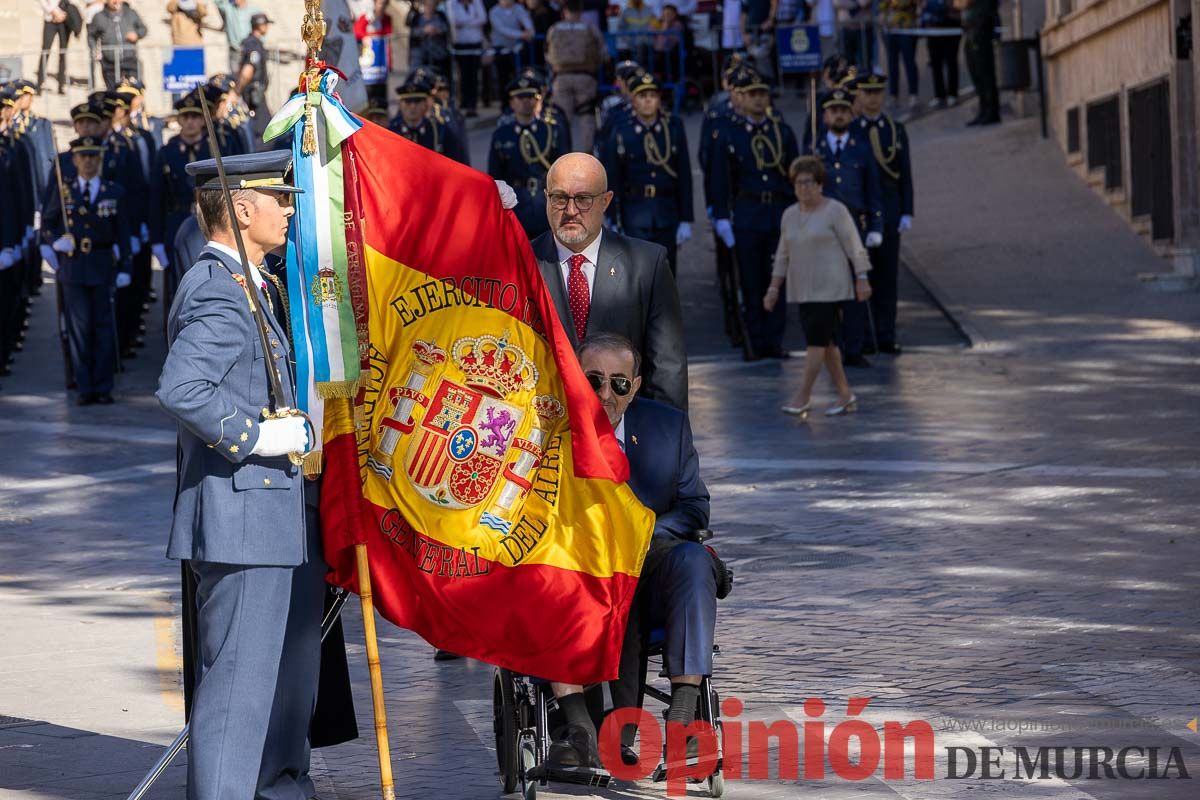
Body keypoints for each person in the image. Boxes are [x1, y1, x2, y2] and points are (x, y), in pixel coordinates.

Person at [158, 150, 326, 800]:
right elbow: (182, 387)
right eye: (278, 199)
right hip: (244, 520)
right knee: (235, 698)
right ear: (243, 209)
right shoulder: (218, 287)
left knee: (245, 696)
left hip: (253, 519)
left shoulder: (247, 282)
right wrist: (257, 435)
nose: (287, 210)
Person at [546, 332, 714, 771]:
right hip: (579, 570)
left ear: (635, 386)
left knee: (695, 561)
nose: (606, 393)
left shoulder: (666, 427)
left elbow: (695, 507)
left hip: (652, 561)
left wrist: (640, 533)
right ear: (575, 380)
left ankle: (682, 722)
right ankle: (579, 728)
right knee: (547, 578)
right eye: (594, 380)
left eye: (619, 383)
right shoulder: (548, 429)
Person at [530, 152, 687, 410]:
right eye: (559, 198)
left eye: (583, 199)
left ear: (606, 201)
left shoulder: (647, 265)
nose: (571, 210)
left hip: (620, 432)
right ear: (546, 198)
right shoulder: (522, 264)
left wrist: (666, 441)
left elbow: (668, 367)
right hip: (546, 432)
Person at [764, 156, 870, 418]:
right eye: (799, 183)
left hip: (831, 288)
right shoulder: (789, 215)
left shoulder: (835, 210)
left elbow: (854, 246)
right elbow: (783, 255)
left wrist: (862, 277)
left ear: (820, 184)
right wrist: (773, 288)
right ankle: (846, 395)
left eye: (809, 182)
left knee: (815, 342)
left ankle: (803, 395)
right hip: (803, 289)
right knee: (828, 344)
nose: (804, 188)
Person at [708, 68, 800, 360]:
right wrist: (722, 216)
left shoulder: (781, 131)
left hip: (776, 211)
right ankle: (755, 338)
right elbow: (721, 179)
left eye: (763, 94)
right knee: (750, 279)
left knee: (777, 276)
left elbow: (792, 173)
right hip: (747, 213)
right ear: (742, 98)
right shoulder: (729, 133)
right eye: (753, 95)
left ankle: (775, 339)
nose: (759, 100)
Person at [40, 136, 131, 405]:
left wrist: (125, 264)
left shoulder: (113, 191)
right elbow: (47, 222)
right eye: (83, 156)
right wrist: (55, 240)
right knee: (79, 329)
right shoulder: (64, 189)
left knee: (104, 328)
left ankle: (103, 386)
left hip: (102, 264)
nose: (89, 161)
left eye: (93, 156)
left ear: (99, 159)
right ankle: (84, 386)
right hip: (74, 265)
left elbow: (122, 233)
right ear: (75, 160)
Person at [810, 87, 882, 368]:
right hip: (824, 230)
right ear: (825, 116)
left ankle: (854, 347)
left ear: (851, 114)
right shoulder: (815, 151)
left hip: (854, 229)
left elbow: (873, 190)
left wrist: (875, 225)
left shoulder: (862, 150)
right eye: (833, 111)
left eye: (843, 110)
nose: (838, 115)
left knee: (856, 290)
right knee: (828, 292)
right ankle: (833, 346)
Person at [602, 72, 693, 275]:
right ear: (633, 100)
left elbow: (684, 175)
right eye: (642, 96)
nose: (648, 100)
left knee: (666, 275)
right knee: (638, 276)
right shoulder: (622, 131)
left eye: (653, 95)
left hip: (667, 212)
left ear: (659, 99)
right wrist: (613, 219)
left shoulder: (673, 128)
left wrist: (686, 218)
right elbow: (614, 177)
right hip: (635, 212)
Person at [854, 72, 913, 355]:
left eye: (877, 92)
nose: (873, 98)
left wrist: (907, 210)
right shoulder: (853, 131)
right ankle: (864, 337)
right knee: (862, 276)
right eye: (867, 93)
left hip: (889, 211)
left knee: (887, 278)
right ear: (860, 96)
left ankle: (885, 334)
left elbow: (905, 174)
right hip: (861, 213)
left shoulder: (895, 130)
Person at [150, 89, 216, 311]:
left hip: (210, 222)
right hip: (177, 222)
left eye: (195, 117)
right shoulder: (167, 152)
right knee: (177, 287)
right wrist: (157, 239)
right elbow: (157, 198)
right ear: (178, 120)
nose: (190, 122)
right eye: (185, 117)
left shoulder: (214, 148)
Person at [488, 75, 571, 240]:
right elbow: (495, 176)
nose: (525, 102)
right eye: (520, 97)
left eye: (530, 97)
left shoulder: (552, 130)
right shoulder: (502, 135)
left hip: (546, 200)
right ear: (511, 102)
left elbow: (565, 171)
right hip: (516, 202)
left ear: (538, 100)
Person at [545, 1, 608, 153]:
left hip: (561, 77)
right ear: (580, 11)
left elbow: (547, 54)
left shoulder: (554, 29)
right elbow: (603, 54)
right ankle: (588, 153)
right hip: (585, 77)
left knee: (562, 119)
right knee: (587, 116)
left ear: (564, 11)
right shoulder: (589, 29)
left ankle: (563, 154)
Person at [389, 73, 469, 165]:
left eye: (417, 101)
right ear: (400, 105)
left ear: (425, 104)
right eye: (408, 102)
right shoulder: (391, 132)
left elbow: (456, 165)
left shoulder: (439, 131)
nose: (412, 106)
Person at [87, 0, 147, 90]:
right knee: (113, 95)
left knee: (135, 92)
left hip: (130, 60)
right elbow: (91, 36)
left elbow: (143, 29)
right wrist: (95, 50)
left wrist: (137, 34)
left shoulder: (131, 13)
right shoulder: (99, 17)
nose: (116, 1)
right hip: (109, 63)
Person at [236, 12, 272, 146]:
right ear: (259, 25)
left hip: (255, 92)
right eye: (266, 24)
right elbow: (248, 69)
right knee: (263, 128)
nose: (267, 27)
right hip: (254, 94)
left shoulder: (250, 42)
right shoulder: (253, 44)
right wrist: (236, 91)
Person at [961, 0, 1000, 125]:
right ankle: (983, 109)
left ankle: (991, 111)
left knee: (985, 72)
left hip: (981, 26)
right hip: (971, 28)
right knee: (976, 72)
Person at [447, 0, 487, 117]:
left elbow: (483, 18)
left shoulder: (477, 2)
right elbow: (455, 21)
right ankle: (463, 103)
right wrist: (473, 21)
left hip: (475, 43)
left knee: (474, 75)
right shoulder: (452, 3)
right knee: (463, 75)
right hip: (460, 44)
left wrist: (465, 23)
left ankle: (472, 105)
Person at [489, 0, 536, 100]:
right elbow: (501, 29)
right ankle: (505, 104)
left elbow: (527, 22)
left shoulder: (518, 8)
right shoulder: (494, 11)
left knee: (519, 76)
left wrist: (530, 30)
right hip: (500, 49)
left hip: (516, 49)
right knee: (503, 78)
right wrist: (522, 34)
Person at [881, 0, 919, 112]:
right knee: (892, 63)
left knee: (909, 62)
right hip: (890, 29)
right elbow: (882, 6)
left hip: (907, 28)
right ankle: (893, 95)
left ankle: (913, 95)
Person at [922, 0, 961, 108]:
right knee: (935, 62)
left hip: (950, 22)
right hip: (933, 24)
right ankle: (939, 95)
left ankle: (952, 94)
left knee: (951, 60)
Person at [407, 0, 451, 77]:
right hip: (421, 50)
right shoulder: (417, 18)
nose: (429, 8)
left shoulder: (440, 16)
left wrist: (437, 30)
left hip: (437, 51)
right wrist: (424, 30)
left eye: (432, 5)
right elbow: (413, 32)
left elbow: (446, 29)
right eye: (427, 5)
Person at [214, 0, 261, 72]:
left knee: (252, 76)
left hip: (250, 51)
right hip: (235, 51)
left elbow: (261, 30)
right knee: (235, 77)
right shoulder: (229, 9)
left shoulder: (254, 10)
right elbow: (218, 2)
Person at [37, 0, 73, 94]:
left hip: (64, 19)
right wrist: (53, 11)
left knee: (63, 53)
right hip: (50, 18)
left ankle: (61, 85)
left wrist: (63, 13)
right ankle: (39, 84)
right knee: (45, 51)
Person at [834, 0, 874, 71]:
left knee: (865, 62)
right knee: (847, 63)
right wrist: (856, 4)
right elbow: (838, 2)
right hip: (846, 30)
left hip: (863, 30)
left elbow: (864, 2)